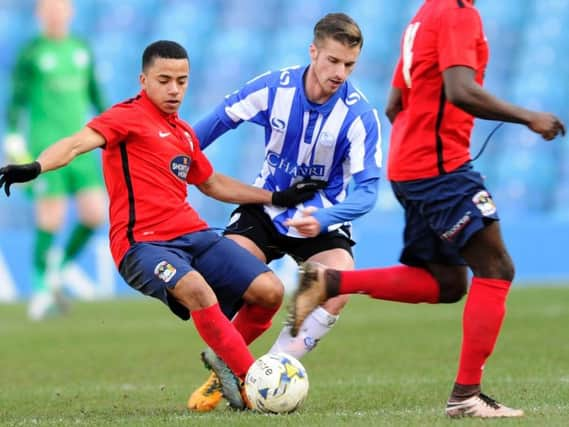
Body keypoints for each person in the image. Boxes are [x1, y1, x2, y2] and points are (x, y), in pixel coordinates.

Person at [0, 40, 324, 411]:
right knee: (199, 291)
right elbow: (76, 144)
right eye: (164, 80)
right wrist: (36, 167)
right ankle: (256, 385)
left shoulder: (184, 133)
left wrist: (276, 198)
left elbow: (212, 183)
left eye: (181, 81)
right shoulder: (125, 117)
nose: (174, 90)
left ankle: (224, 362)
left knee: (270, 290)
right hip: (142, 245)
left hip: (193, 235)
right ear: (144, 80)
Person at [289, 0, 565, 419]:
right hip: (440, 167)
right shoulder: (457, 13)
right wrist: (528, 117)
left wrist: (422, 140)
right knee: (497, 268)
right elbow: (460, 90)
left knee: (447, 282)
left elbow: (394, 102)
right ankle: (466, 396)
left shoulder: (424, 14)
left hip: (411, 164)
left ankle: (331, 281)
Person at [187, 12, 382, 412]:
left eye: (349, 65)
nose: (339, 72)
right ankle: (229, 364)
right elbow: (212, 124)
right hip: (268, 204)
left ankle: (267, 374)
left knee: (336, 285)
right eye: (332, 61)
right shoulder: (275, 88)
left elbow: (366, 192)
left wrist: (324, 219)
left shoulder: (360, 116)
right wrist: (175, 161)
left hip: (322, 218)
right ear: (313, 52)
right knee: (230, 273)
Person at [4, 0, 107, 320]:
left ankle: (57, 272)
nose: (55, 15)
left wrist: (112, 128)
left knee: (94, 214)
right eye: (49, 9)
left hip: (80, 146)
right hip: (46, 149)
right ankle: (39, 290)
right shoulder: (32, 53)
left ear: (70, 13)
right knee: (51, 217)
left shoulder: (81, 49)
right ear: (40, 15)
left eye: (60, 8)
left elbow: (96, 96)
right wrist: (12, 137)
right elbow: (16, 100)